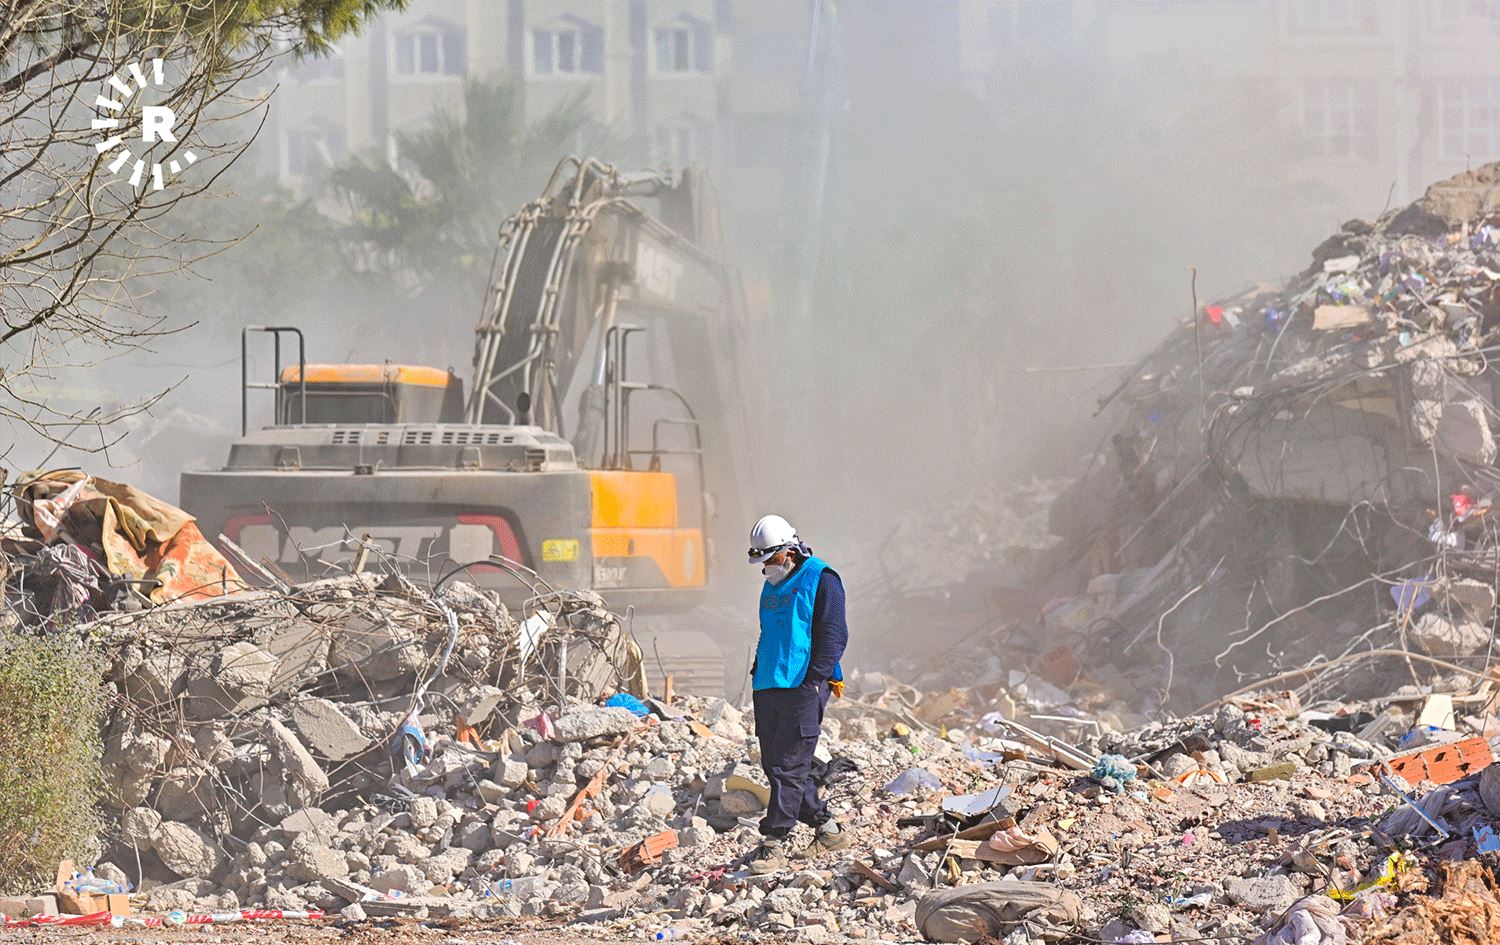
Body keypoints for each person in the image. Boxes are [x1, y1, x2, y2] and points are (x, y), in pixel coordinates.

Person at [743, 514, 850, 874]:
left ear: (788, 551)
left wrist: (815, 681)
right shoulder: (772, 586)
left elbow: (834, 635)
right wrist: (759, 670)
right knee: (777, 765)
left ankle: (774, 841)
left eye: (770, 560)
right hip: (769, 684)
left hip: (803, 685)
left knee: (790, 763)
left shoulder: (822, 579)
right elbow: (769, 632)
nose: (765, 569)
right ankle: (828, 829)